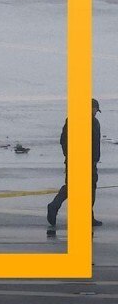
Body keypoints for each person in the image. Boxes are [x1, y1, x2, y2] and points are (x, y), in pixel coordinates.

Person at [47, 98, 102, 233]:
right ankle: (86, 216)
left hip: (77, 159)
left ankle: (55, 206)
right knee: (89, 188)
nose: (96, 112)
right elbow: (94, 144)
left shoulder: (73, 119)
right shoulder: (92, 122)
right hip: (86, 161)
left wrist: (68, 154)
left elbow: (63, 140)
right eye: (95, 109)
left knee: (72, 187)